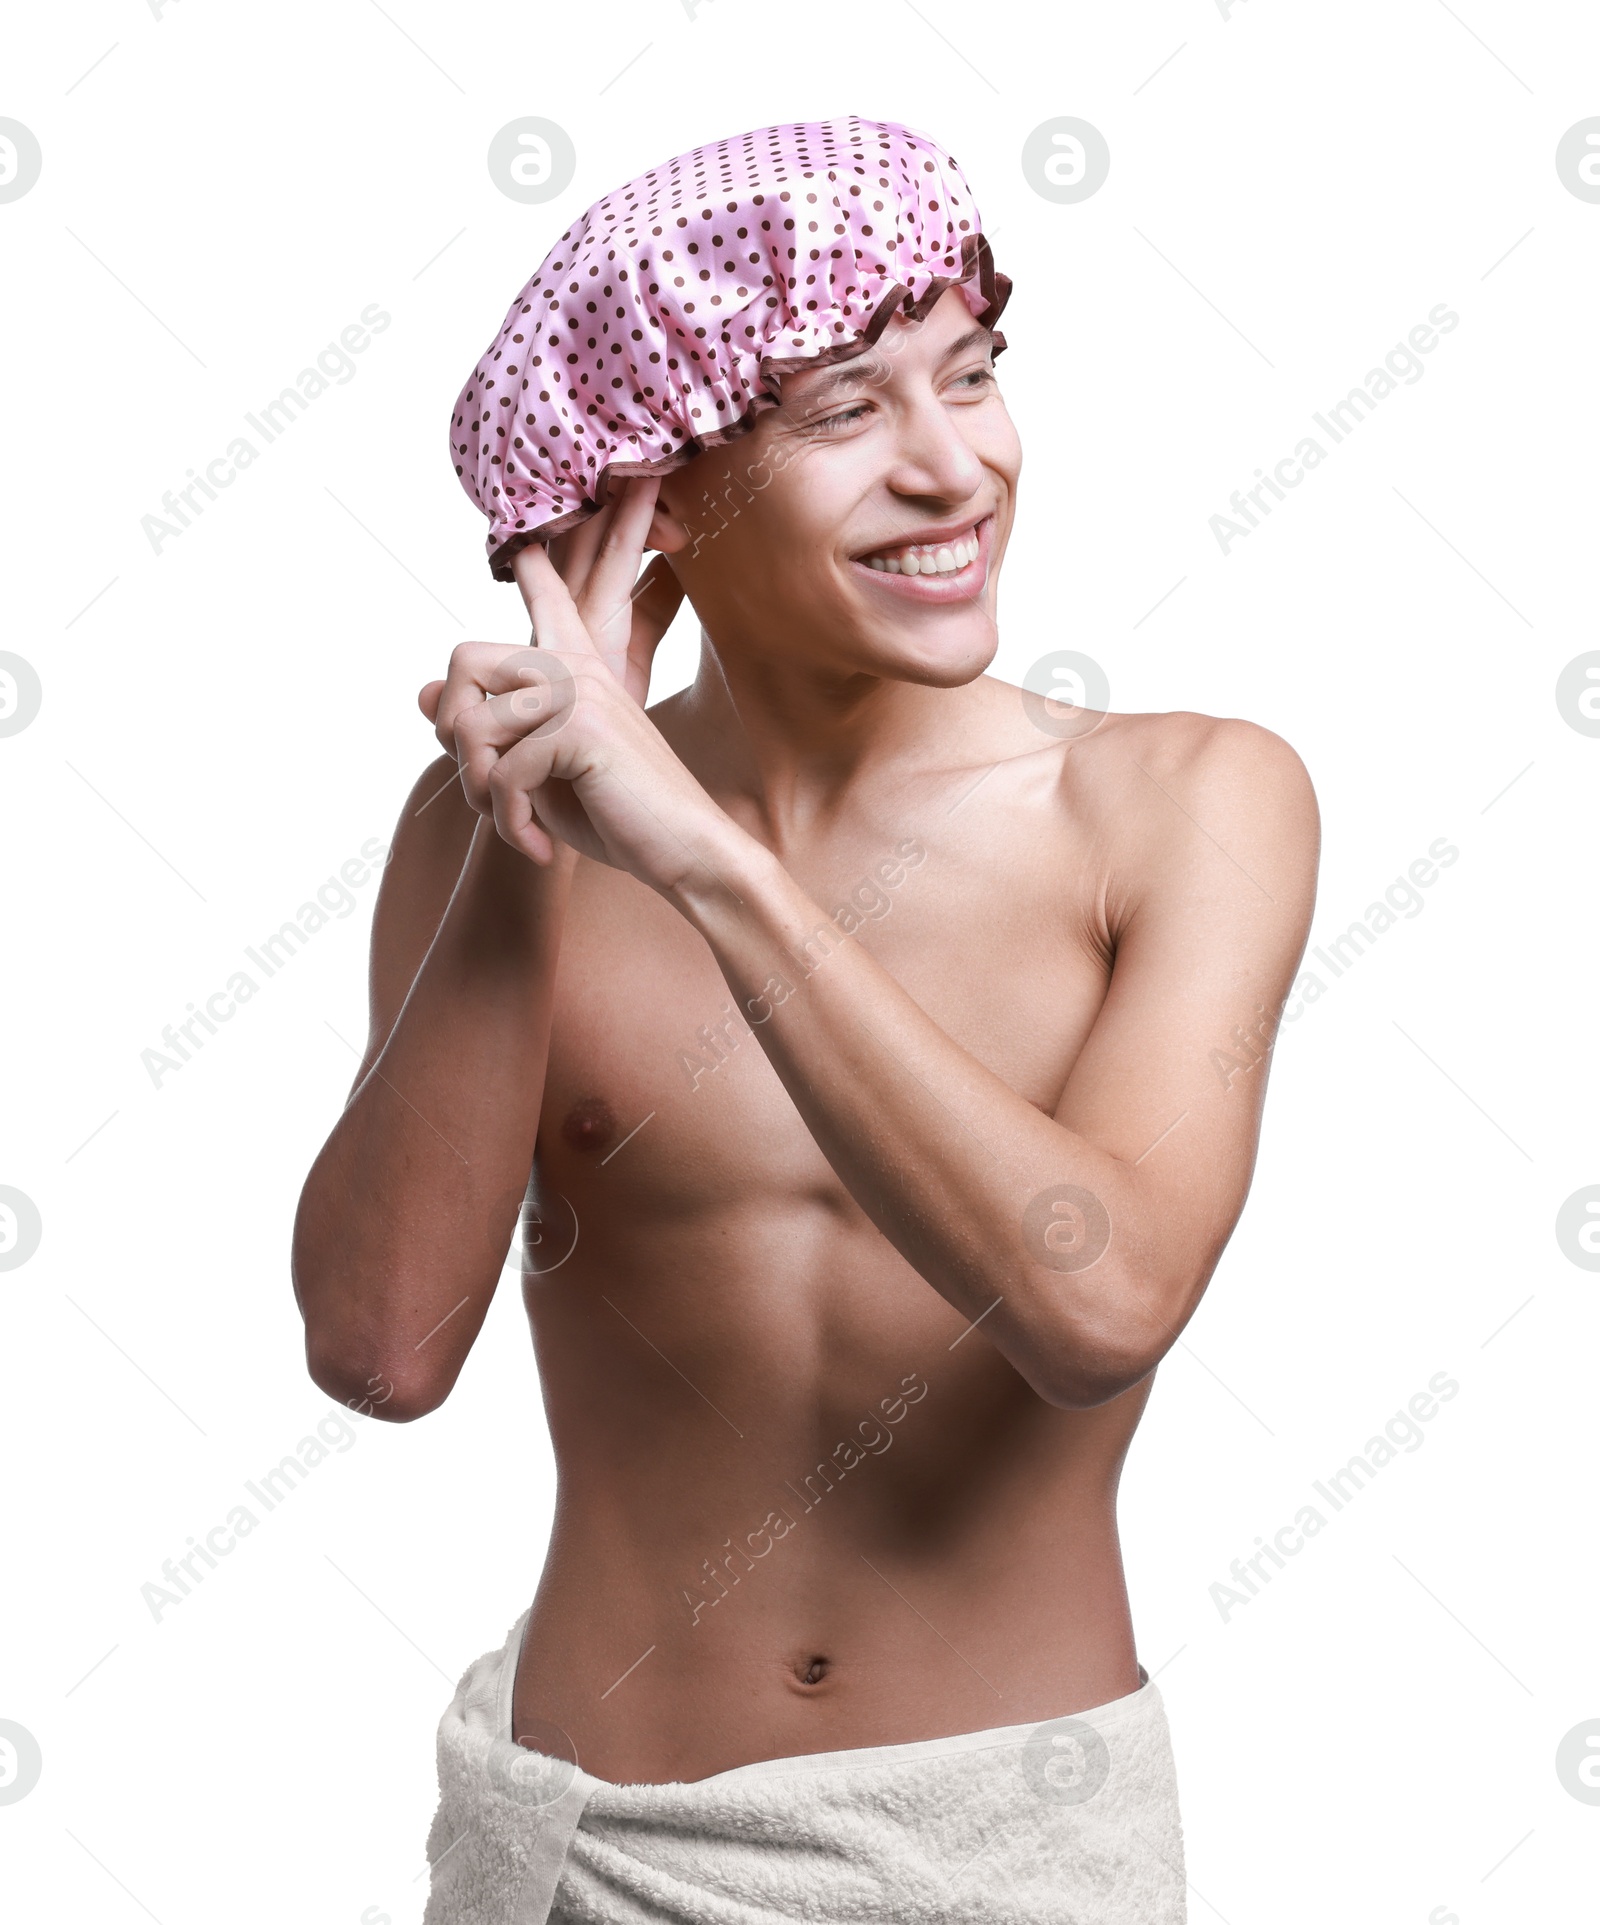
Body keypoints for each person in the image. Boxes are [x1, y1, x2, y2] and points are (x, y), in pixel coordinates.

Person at [292, 115, 1318, 1924]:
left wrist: (704, 863)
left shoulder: (1185, 804)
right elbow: (382, 1352)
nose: (956, 469)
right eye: (847, 413)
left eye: (975, 376)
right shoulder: (484, 832)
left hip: (1003, 1847)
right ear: (652, 495)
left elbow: (1100, 1301)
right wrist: (543, 825)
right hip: (574, 1843)